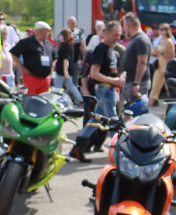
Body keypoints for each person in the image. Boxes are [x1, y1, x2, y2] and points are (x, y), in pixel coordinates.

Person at [70, 21, 124, 162]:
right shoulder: (101, 49)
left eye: (119, 34)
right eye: (115, 34)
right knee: (113, 122)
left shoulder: (113, 51)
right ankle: (120, 154)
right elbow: (93, 74)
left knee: (95, 120)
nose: (118, 37)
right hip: (104, 90)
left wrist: (117, 86)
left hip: (109, 90)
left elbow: (112, 73)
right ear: (106, 33)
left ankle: (77, 149)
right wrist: (115, 82)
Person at [10, 22, 56, 95]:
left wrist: (52, 66)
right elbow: (14, 53)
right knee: (30, 99)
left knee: (43, 100)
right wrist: (21, 67)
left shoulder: (48, 43)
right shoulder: (26, 42)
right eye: (47, 31)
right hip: (31, 77)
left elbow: (55, 56)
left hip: (45, 78)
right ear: (40, 31)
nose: (49, 33)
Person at [120, 15, 152, 108]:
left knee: (136, 112)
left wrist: (136, 83)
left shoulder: (141, 39)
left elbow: (142, 62)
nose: (123, 29)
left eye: (124, 26)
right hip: (131, 82)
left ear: (128, 26)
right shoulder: (136, 39)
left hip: (137, 84)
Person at [149, 23, 176, 106]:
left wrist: (160, 53)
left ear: (166, 31)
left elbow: (172, 55)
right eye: (159, 29)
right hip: (160, 66)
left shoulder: (169, 41)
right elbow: (158, 53)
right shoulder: (161, 40)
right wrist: (155, 53)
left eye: (162, 29)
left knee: (169, 87)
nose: (159, 31)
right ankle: (149, 106)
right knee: (155, 85)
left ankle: (174, 104)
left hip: (167, 66)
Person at [54, 29, 83, 104]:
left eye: (61, 35)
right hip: (68, 70)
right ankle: (80, 99)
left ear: (63, 36)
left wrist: (65, 71)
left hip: (62, 71)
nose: (60, 37)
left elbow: (65, 59)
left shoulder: (65, 46)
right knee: (71, 86)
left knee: (58, 86)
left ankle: (59, 101)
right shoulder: (71, 46)